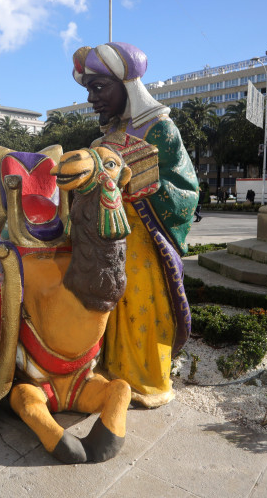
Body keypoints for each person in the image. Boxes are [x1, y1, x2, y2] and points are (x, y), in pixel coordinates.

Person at [73, 42, 198, 408]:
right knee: (105, 304)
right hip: (103, 242)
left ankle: (142, 379)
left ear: (125, 85)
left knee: (139, 304)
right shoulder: (102, 138)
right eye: (89, 91)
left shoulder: (160, 128)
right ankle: (110, 371)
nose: (93, 98)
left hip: (142, 241)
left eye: (99, 87)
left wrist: (146, 187)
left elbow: (187, 190)